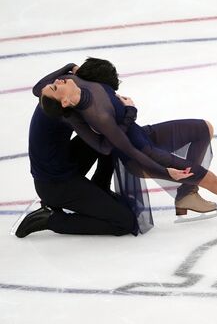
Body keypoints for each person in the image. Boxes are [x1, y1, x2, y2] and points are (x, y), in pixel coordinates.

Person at [38, 58, 217, 220]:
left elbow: (37, 87)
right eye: (56, 85)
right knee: (211, 179)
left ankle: (186, 194)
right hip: (143, 154)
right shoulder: (99, 116)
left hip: (144, 134)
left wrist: (67, 68)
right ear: (63, 100)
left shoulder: (76, 78)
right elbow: (127, 148)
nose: (58, 79)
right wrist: (163, 169)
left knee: (204, 128)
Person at [15, 63, 137, 238]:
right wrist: (129, 115)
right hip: (55, 186)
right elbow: (104, 148)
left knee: (107, 131)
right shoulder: (66, 110)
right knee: (125, 222)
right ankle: (50, 219)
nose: (60, 80)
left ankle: (100, 186)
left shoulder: (59, 91)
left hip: (61, 163)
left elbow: (38, 88)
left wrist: (71, 66)